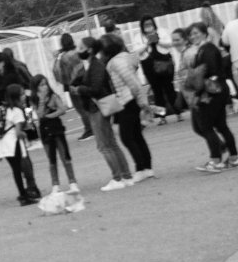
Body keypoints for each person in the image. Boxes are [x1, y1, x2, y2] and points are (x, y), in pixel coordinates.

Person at [76, 38, 134, 189]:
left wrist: (80, 89)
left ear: (89, 49)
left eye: (81, 47)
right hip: (102, 107)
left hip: (98, 108)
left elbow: (95, 89)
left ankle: (117, 178)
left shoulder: (95, 66)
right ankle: (126, 176)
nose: (78, 50)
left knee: (104, 145)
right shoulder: (95, 64)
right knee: (112, 144)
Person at [102, 33, 155, 182]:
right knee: (137, 135)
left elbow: (131, 82)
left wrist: (140, 99)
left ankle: (141, 168)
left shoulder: (116, 62)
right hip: (130, 100)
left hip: (127, 101)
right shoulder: (124, 58)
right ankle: (147, 168)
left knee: (127, 137)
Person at [187, 23, 238, 171]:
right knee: (221, 125)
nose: (193, 37)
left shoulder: (207, 49)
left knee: (207, 126)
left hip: (211, 92)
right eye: (191, 35)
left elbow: (207, 70)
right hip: (218, 90)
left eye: (196, 33)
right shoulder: (206, 49)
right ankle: (234, 157)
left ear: (204, 33)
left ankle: (216, 160)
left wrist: (195, 80)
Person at [31, 74, 80, 200]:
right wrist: (42, 101)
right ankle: (55, 185)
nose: (45, 87)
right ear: (36, 88)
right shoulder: (35, 100)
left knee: (65, 156)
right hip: (45, 131)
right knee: (51, 159)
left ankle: (72, 182)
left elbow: (62, 109)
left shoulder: (53, 96)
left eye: (45, 83)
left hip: (57, 128)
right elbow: (39, 114)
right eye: (41, 85)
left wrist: (50, 116)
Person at [140, 18, 180, 123]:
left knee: (169, 89)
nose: (148, 26)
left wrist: (158, 41)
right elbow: (137, 52)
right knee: (157, 92)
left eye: (150, 23)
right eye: (146, 24)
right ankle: (162, 117)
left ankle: (178, 113)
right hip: (149, 67)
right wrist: (147, 43)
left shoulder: (162, 32)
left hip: (165, 64)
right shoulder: (139, 37)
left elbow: (170, 44)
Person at [56, 34, 95, 139]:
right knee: (87, 105)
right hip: (83, 80)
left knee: (80, 108)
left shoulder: (63, 57)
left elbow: (61, 74)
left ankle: (89, 129)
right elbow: (80, 67)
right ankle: (92, 127)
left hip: (72, 84)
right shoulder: (77, 52)